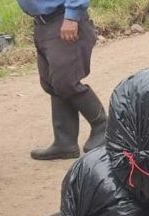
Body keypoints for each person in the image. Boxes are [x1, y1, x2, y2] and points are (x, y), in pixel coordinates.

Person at [17, 0, 107, 160]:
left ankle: (102, 126)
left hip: (64, 19)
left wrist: (72, 17)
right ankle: (65, 142)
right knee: (51, 83)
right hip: (43, 24)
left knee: (65, 82)